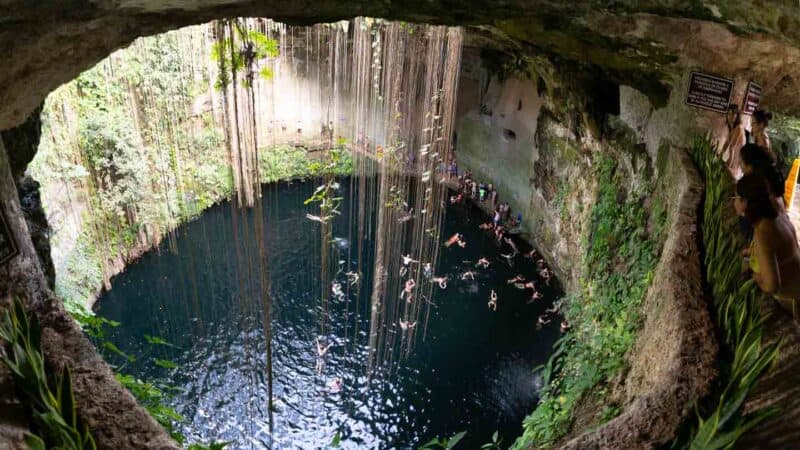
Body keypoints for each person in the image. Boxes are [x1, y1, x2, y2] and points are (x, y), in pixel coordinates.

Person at [736, 174, 800, 319]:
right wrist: (749, 253)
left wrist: (755, 277)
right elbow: (778, 252)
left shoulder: (762, 233)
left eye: (736, 198)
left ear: (746, 203)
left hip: (793, 301)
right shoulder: (779, 217)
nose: (734, 204)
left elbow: (772, 285)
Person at [722, 104, 747, 178]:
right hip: (734, 156)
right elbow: (727, 143)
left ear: (737, 116)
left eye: (733, 114)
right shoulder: (731, 127)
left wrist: (729, 163)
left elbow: (732, 147)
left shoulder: (739, 127)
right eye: (729, 114)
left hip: (738, 158)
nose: (731, 116)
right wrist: (720, 155)